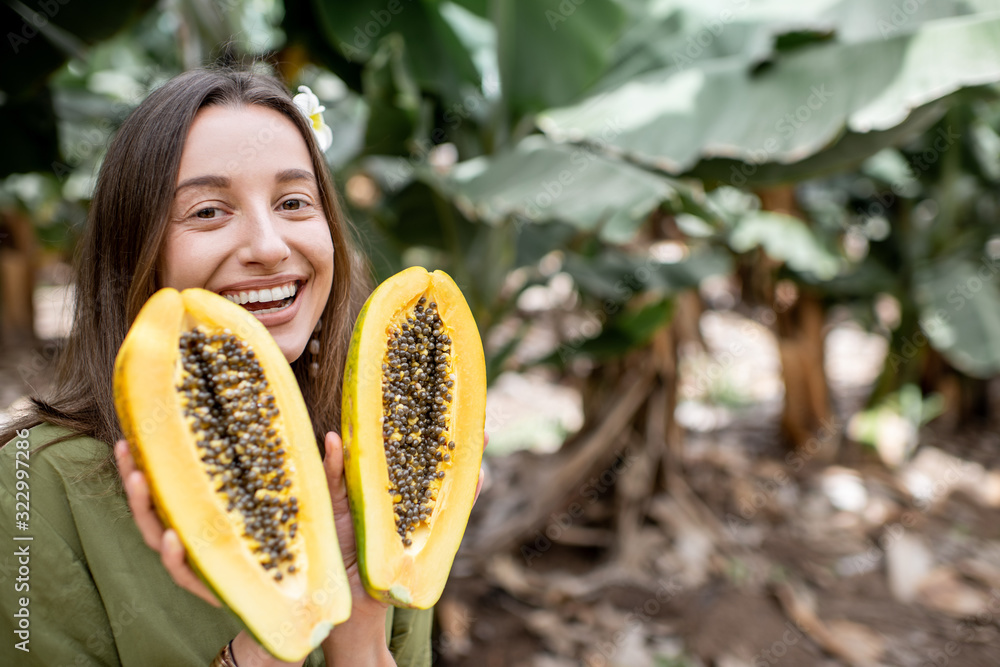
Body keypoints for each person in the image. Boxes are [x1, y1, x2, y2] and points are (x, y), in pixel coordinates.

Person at [0, 66, 475, 666]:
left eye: (294, 202)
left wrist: (356, 617)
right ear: (134, 248)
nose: (270, 246)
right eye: (207, 212)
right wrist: (268, 639)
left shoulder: (370, 462)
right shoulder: (29, 486)